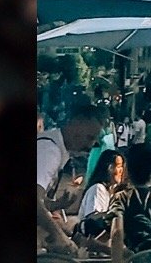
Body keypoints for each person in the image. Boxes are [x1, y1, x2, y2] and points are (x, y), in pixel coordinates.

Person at [39, 96, 106, 258]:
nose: (90, 145)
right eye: (90, 137)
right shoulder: (50, 151)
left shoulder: (53, 148)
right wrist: (59, 236)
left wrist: (57, 204)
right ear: (77, 122)